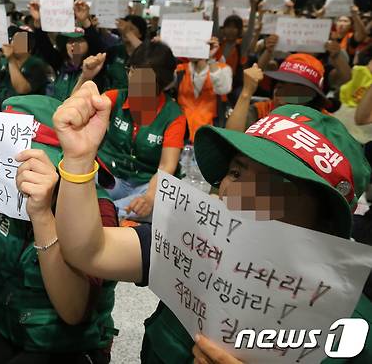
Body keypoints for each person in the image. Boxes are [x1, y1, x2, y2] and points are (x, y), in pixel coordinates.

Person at [51, 80, 372, 363]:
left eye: (274, 185)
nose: (240, 194)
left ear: (325, 221)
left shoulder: (353, 331)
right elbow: (89, 250)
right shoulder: (193, 243)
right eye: (236, 172)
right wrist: (78, 160)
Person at [0, 93, 118, 364]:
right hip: (2, 318)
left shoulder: (99, 210)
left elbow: (74, 311)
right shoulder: (9, 187)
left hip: (65, 338)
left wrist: (42, 216)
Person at [97, 41, 186, 222]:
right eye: (132, 70)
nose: (134, 79)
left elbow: (166, 166)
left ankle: (103, 212)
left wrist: (150, 197)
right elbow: (75, 111)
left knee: (163, 207)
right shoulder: (115, 97)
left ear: (161, 81)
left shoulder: (174, 115)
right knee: (74, 182)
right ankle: (109, 213)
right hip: (110, 177)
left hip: (144, 185)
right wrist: (85, 77)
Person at [226, 53, 330, 132]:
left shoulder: (326, 124)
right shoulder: (261, 111)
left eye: (297, 86)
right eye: (282, 83)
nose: (284, 92)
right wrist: (246, 92)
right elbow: (231, 137)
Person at [28, 0, 107, 101]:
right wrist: (38, 22)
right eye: (69, 41)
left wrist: (85, 21)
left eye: (79, 40)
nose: (73, 44)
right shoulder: (60, 63)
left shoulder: (95, 66)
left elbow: (98, 46)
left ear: (89, 44)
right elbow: (43, 44)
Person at [175, 37, 233, 141]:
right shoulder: (179, 70)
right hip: (180, 132)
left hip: (209, 133)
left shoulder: (223, 69)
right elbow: (163, 83)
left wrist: (210, 58)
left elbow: (223, 89)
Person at [0, 26, 49, 109]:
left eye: (19, 41)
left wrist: (11, 60)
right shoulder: (4, 61)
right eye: (12, 40)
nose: (13, 44)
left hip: (24, 110)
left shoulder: (36, 64)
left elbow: (22, 89)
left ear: (29, 48)